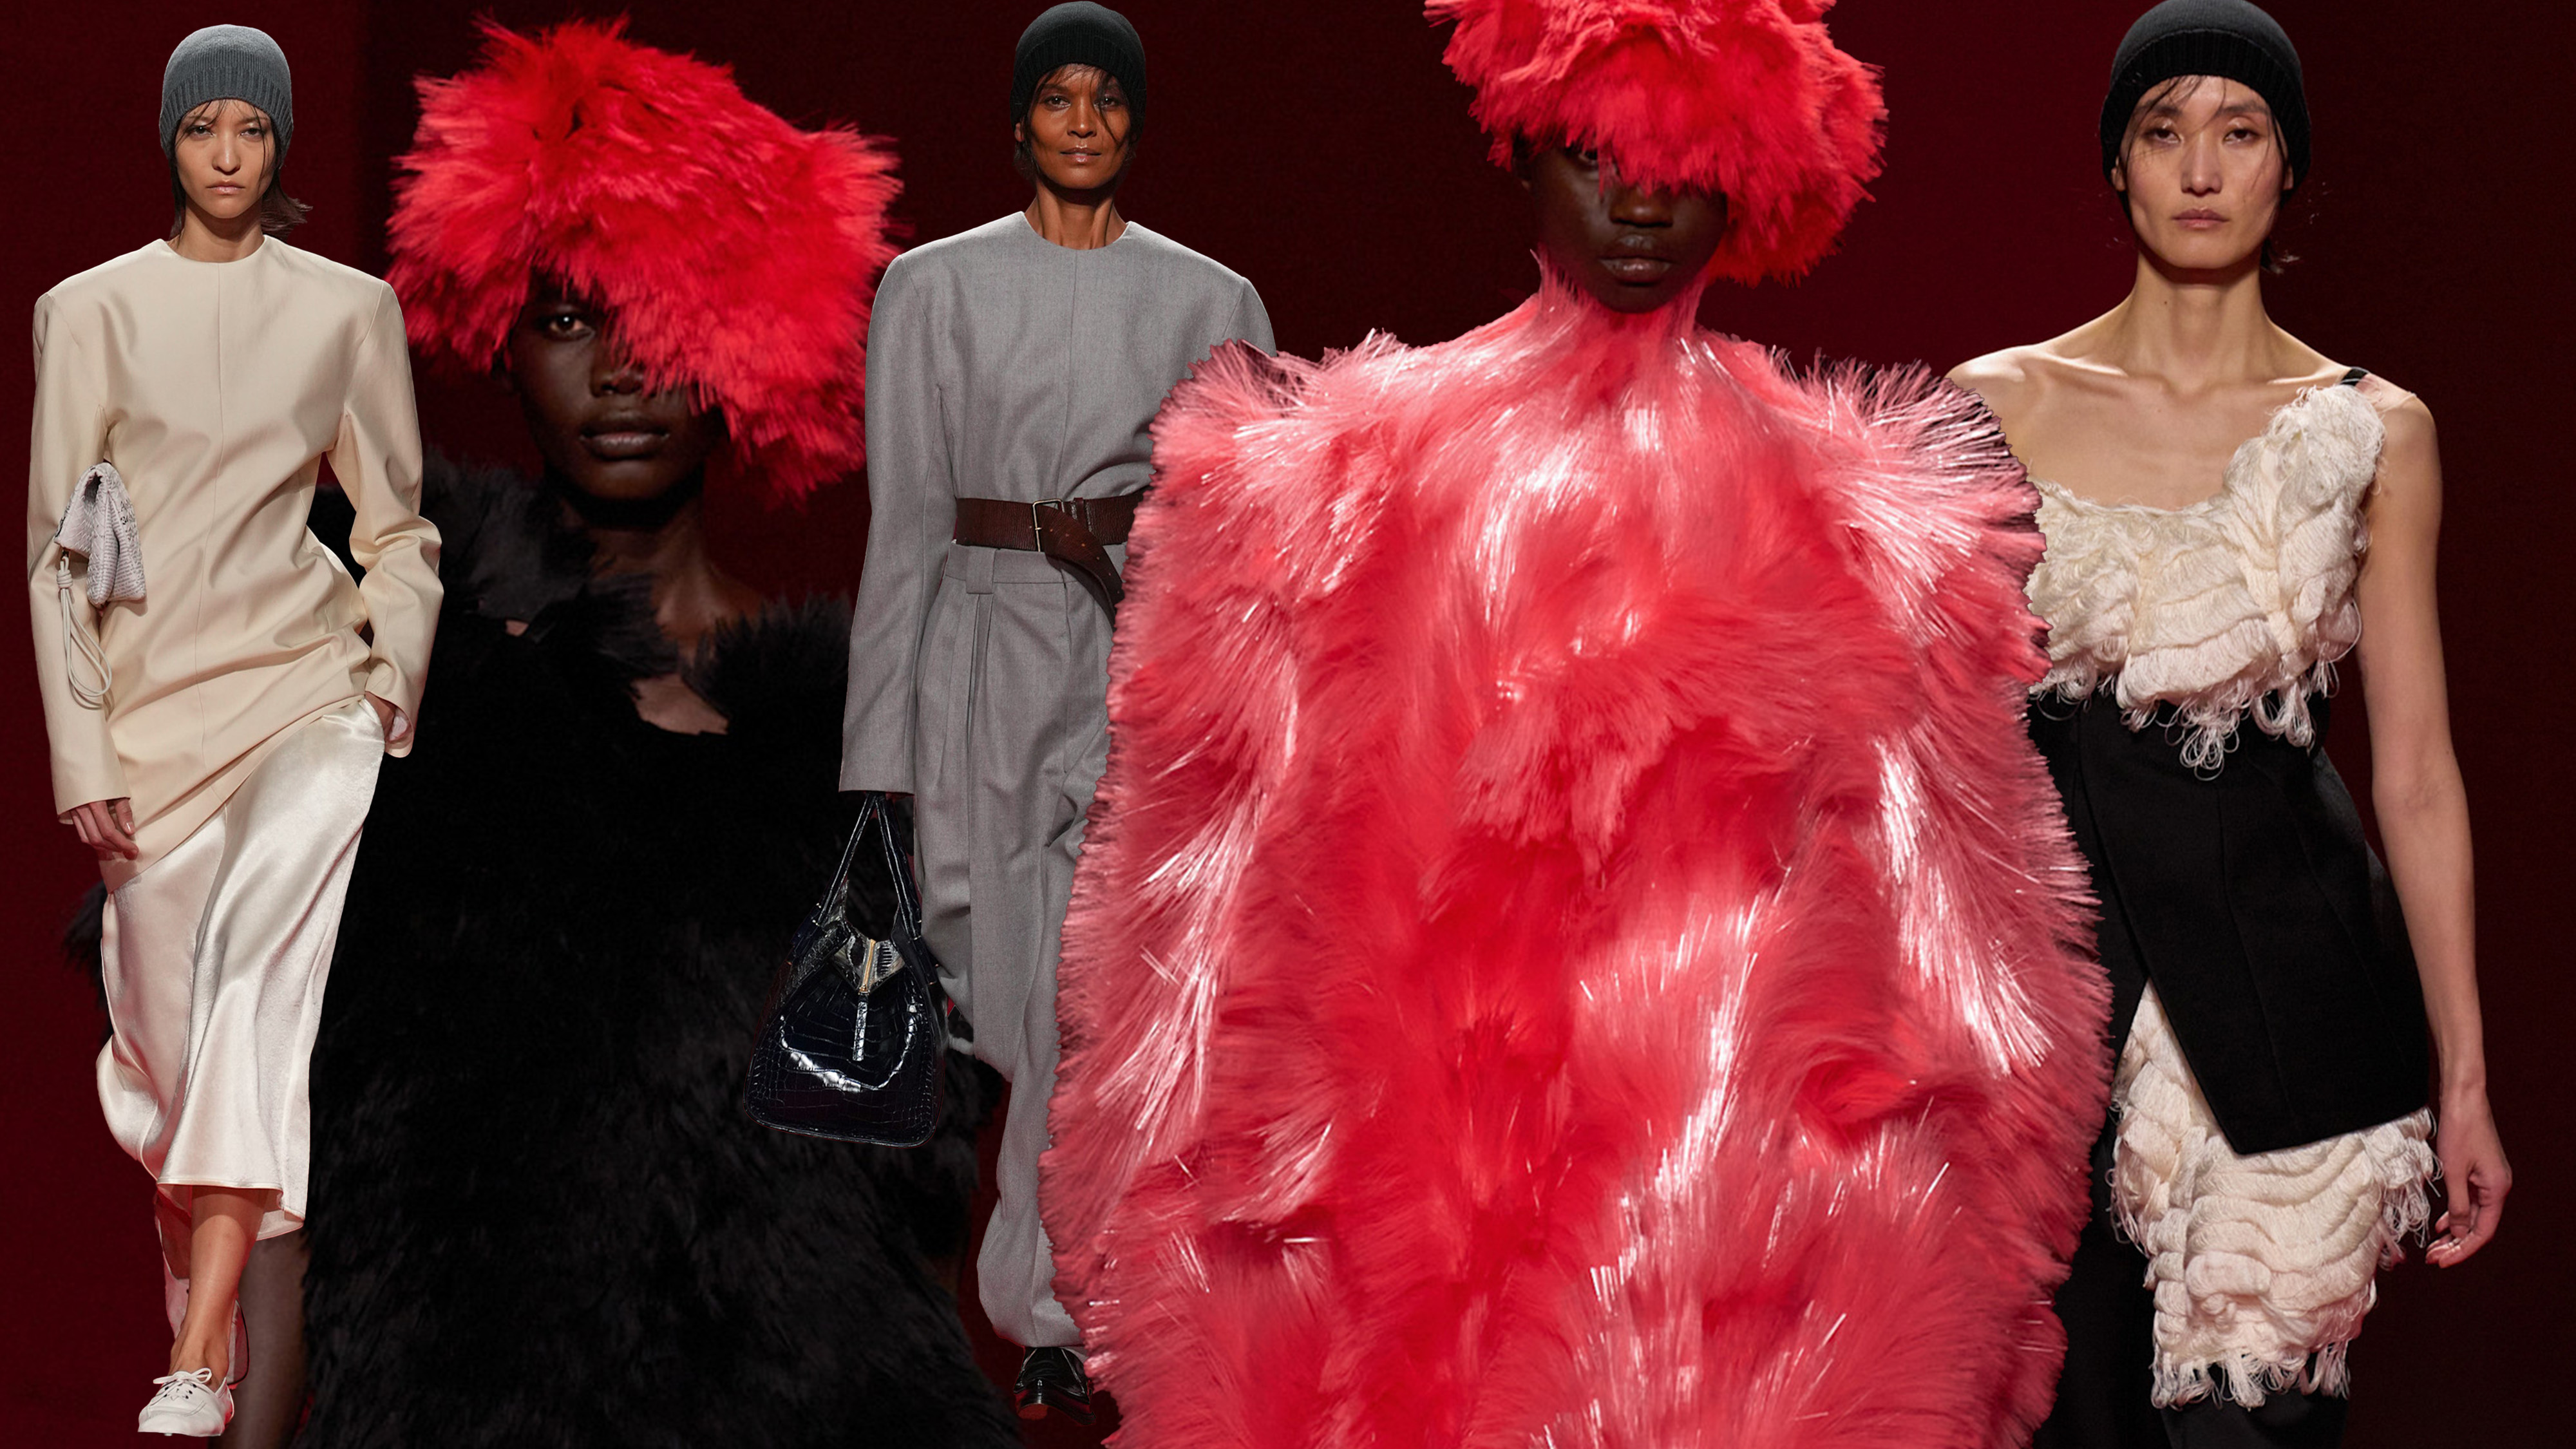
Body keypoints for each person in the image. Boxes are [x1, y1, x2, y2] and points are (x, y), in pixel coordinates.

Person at [1039, 2, 2108, 1444]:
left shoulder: (1857, 517)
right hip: (1417, 1193)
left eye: (1684, 165)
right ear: (1523, 153)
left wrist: (1960, 1228)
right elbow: (1202, 871)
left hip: (1727, 1214)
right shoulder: (1336, 480)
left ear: (1750, 179)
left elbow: (1956, 922)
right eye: (1595, 157)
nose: (1640, 203)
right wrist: (1165, 1196)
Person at [295, 22, 1016, 1446]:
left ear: (754, 337)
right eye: (569, 319)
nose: (622, 370)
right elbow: (243, 1133)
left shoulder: (873, 737)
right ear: (502, 335)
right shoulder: (380, 669)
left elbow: (911, 1195)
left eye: (669, 315)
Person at [1949, 4, 2510, 1445]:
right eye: (2163, 131)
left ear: (2285, 164)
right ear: (2117, 166)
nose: (2200, 168)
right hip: (2053, 1010)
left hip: (2296, 1001)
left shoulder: (2373, 429)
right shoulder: (1989, 407)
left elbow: (2417, 773)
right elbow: (1927, 750)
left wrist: (2463, 1080)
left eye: (2239, 130)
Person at [840, 1, 1273, 1421]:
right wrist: (873, 773)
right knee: (998, 978)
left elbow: (1247, 533)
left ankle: (1051, 1312)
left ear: (1135, 121)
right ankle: (1048, 1286)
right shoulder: (932, 288)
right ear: (1018, 120)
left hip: (1135, 651)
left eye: (1107, 99)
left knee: (1086, 998)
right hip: (974, 642)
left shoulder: (1211, 300)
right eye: (1057, 98)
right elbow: (904, 530)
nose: (1083, 123)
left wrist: (1239, 725)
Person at [23, 24, 441, 1438]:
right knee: (167, 1069)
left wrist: (385, 678)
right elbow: (56, 558)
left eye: (250, 129)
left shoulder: (345, 311)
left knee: (257, 982)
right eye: (202, 126)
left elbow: (397, 525)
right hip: (151, 730)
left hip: (303, 698)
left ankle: (201, 1349)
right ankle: (205, 1319)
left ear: (279, 146)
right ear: (170, 139)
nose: (225, 153)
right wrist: (82, 753)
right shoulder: (89, 312)